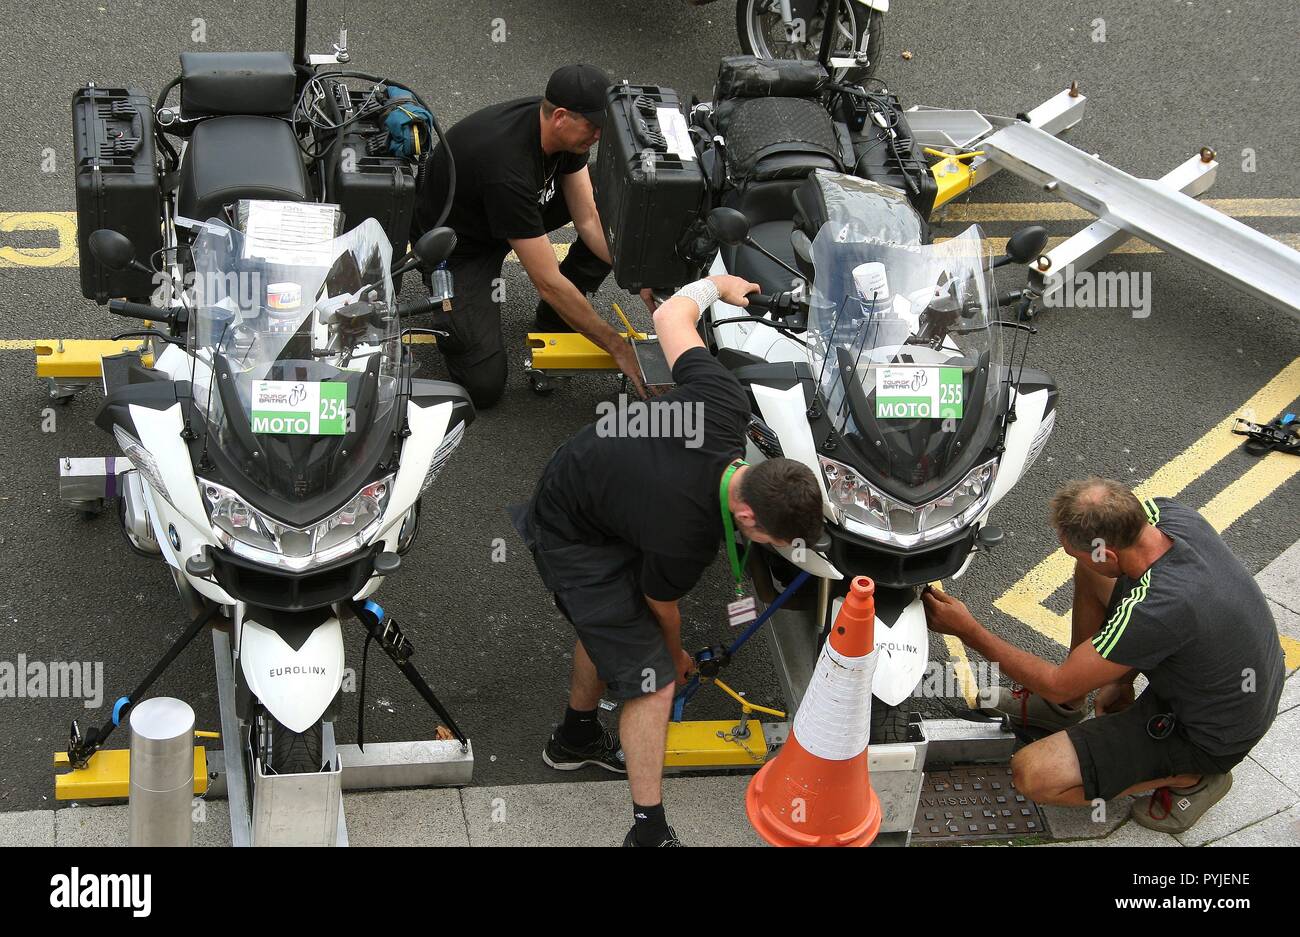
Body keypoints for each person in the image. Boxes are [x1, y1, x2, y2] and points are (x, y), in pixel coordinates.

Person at [510, 274, 826, 846]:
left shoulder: (722, 402)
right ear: (750, 519)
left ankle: (575, 739)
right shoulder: (687, 537)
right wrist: (676, 656)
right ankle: (648, 833)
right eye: (778, 542)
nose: (777, 549)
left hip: (599, 474)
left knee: (615, 622)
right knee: (652, 679)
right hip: (571, 528)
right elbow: (663, 605)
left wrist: (717, 284)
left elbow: (669, 319)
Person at [923, 477, 1285, 833]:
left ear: (1108, 552)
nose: (1066, 552)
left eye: (1070, 547)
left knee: (1032, 773)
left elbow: (1057, 683)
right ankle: (1065, 710)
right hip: (1231, 685)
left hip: (1210, 734)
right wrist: (1121, 679)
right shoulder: (1168, 515)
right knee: (1092, 572)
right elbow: (1139, 605)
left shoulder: (1158, 609)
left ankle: (1194, 778)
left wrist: (967, 630)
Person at [412, 63, 648, 408]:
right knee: (484, 386)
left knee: (608, 193)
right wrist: (617, 348)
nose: (598, 136)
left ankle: (557, 318)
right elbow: (548, 282)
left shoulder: (564, 134)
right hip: (460, 247)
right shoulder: (507, 170)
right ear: (561, 117)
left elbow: (588, 219)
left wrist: (637, 275)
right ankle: (453, 313)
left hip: (509, 211)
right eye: (594, 126)